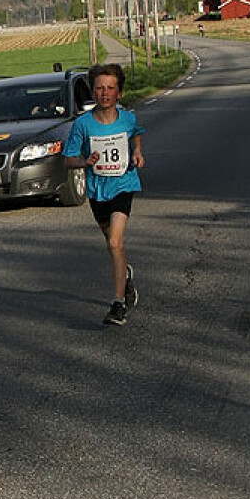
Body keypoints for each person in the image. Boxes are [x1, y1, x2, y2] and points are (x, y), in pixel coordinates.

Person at [63, 63, 145, 326]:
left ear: (119, 93)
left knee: (114, 243)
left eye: (110, 88)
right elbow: (69, 159)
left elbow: (135, 135)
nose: (105, 93)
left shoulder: (128, 118)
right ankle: (126, 275)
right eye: (99, 88)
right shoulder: (82, 125)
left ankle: (118, 304)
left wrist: (137, 153)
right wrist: (85, 162)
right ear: (93, 92)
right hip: (98, 190)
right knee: (112, 243)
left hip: (124, 184)